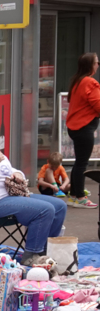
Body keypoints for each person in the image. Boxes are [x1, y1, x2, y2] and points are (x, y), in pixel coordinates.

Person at [0, 118, 67, 261]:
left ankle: (47, 252)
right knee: (45, 209)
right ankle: (32, 256)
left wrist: (18, 174)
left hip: (12, 197)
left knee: (60, 206)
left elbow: (12, 171)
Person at [65, 52, 100, 209]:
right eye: (96, 62)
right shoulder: (90, 82)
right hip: (84, 127)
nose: (98, 65)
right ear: (90, 65)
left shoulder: (77, 81)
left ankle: (74, 195)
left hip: (75, 126)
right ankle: (79, 197)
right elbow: (98, 104)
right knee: (82, 164)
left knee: (79, 163)